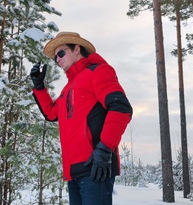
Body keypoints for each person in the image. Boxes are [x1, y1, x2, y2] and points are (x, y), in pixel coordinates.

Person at [30, 32, 133, 205]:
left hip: (96, 166)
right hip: (74, 171)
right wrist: (39, 87)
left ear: (77, 49)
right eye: (55, 58)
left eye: (61, 53)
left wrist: (104, 149)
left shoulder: (98, 71)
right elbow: (51, 113)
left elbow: (121, 107)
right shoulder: (68, 87)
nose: (58, 59)